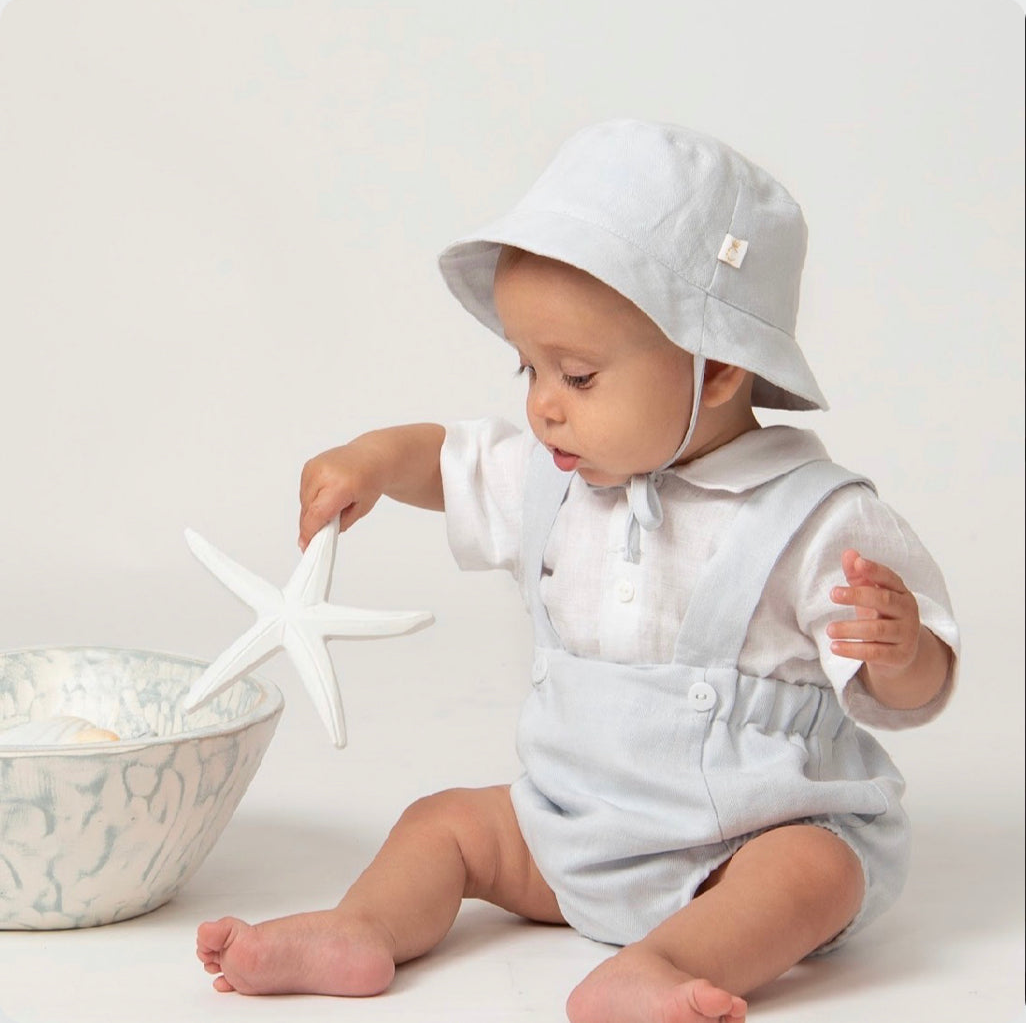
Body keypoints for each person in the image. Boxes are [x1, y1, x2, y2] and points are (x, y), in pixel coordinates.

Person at [195, 120, 959, 1023]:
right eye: (529, 367)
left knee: (817, 873)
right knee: (444, 823)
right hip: (570, 831)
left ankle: (663, 963)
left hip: (746, 842)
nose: (543, 407)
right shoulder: (555, 481)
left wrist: (902, 650)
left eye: (580, 376)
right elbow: (451, 460)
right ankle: (361, 927)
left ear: (717, 373)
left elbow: (912, 690)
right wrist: (372, 460)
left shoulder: (816, 519)